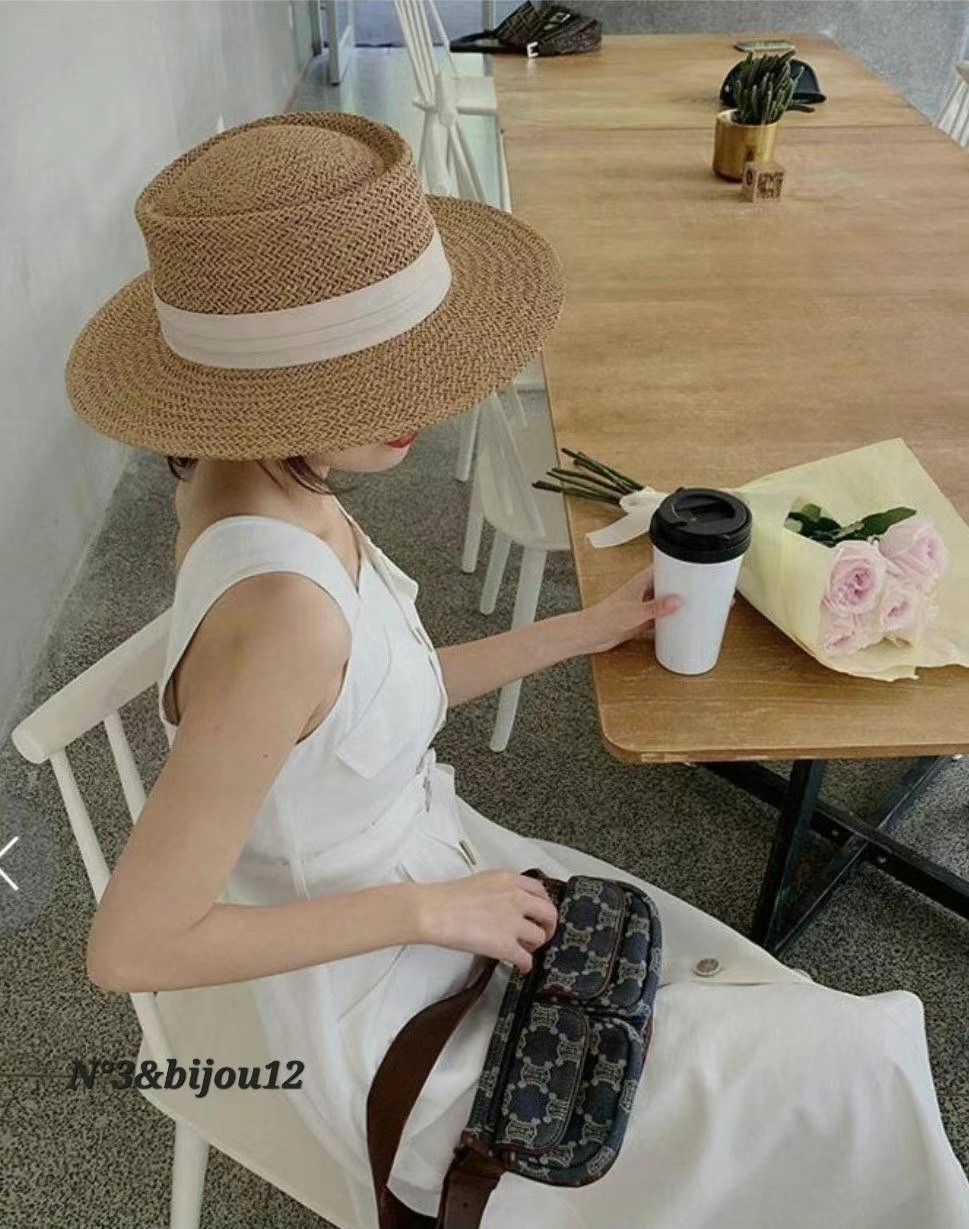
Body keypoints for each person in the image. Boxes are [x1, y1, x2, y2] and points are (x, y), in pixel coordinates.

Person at [65, 111, 969, 1229]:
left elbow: (365, 699)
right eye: (365, 379)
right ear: (265, 397)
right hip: (358, 995)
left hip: (423, 879)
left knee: (798, 1042)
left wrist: (581, 632)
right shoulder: (279, 614)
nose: (425, 404)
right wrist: (431, 908)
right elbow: (135, 945)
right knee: (849, 1064)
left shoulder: (240, 480)